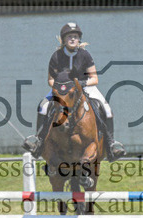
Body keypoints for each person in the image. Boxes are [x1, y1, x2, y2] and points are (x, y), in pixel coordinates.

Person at [23, 22, 125, 160]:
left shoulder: (85, 55)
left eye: (75, 36)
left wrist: (80, 84)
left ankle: (111, 144)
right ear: (63, 39)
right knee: (43, 106)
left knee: (106, 108)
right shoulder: (56, 56)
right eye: (69, 36)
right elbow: (50, 80)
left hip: (85, 87)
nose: (72, 39)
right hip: (62, 89)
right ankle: (38, 140)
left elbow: (94, 78)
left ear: (79, 39)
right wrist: (58, 88)